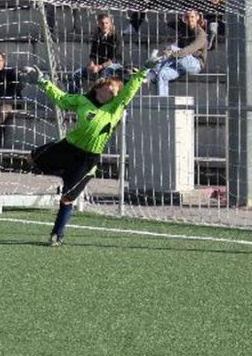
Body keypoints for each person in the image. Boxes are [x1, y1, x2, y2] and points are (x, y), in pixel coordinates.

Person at [24, 52, 162, 246]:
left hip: (87, 159)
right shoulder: (82, 101)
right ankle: (59, 173)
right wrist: (42, 81)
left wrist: (144, 70)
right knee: (32, 158)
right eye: (114, 86)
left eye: (119, 89)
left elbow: (130, 90)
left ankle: (57, 235)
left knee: (67, 198)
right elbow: (62, 99)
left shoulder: (115, 108)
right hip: (68, 148)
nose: (117, 91)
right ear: (101, 86)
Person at [147, 9, 207, 96]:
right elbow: (167, 22)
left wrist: (172, 53)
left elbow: (189, 49)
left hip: (194, 64)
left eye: (192, 17)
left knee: (172, 48)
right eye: (187, 17)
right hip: (180, 64)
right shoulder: (183, 29)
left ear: (197, 18)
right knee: (162, 74)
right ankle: (163, 103)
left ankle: (153, 71)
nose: (190, 19)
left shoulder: (201, 35)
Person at [68, 14, 123, 94]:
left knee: (105, 73)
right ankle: (71, 98)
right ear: (98, 23)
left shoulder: (116, 36)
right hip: (99, 65)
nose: (104, 25)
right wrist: (92, 64)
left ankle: (100, 100)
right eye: (102, 23)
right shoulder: (97, 35)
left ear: (110, 23)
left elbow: (114, 58)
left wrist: (99, 67)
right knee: (77, 74)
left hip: (115, 64)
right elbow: (92, 54)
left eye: (106, 23)